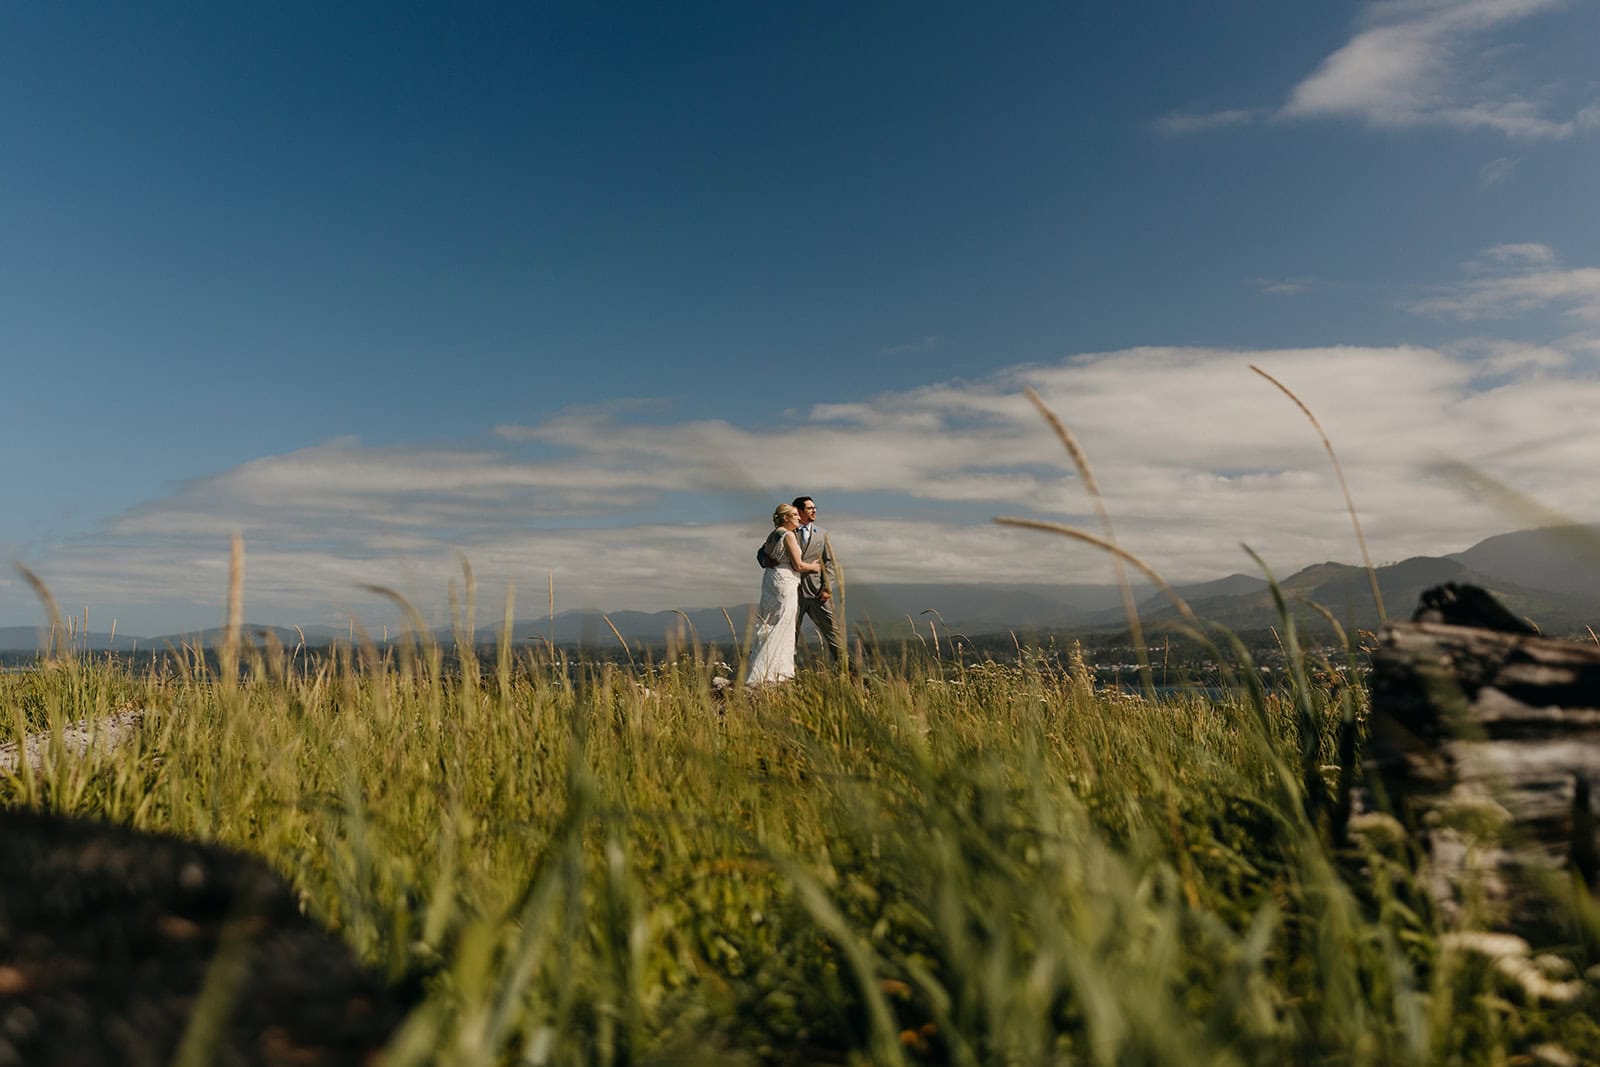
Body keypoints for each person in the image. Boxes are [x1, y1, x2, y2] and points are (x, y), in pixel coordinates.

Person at [758, 495, 844, 666]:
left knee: (833, 633)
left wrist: (827, 588)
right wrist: (765, 561)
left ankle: (850, 670)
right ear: (799, 511)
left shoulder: (822, 534)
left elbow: (830, 562)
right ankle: (786, 671)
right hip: (791, 591)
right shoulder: (787, 531)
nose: (814, 511)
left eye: (815, 508)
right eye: (809, 508)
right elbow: (762, 551)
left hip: (817, 593)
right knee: (789, 633)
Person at [745, 503, 823, 685]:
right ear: (786, 518)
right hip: (785, 581)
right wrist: (816, 567)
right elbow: (799, 565)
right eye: (795, 515)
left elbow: (764, 552)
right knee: (783, 625)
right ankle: (772, 673)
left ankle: (772, 670)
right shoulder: (787, 535)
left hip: (771, 579)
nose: (798, 517)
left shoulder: (774, 534)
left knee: (770, 623)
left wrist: (766, 559)